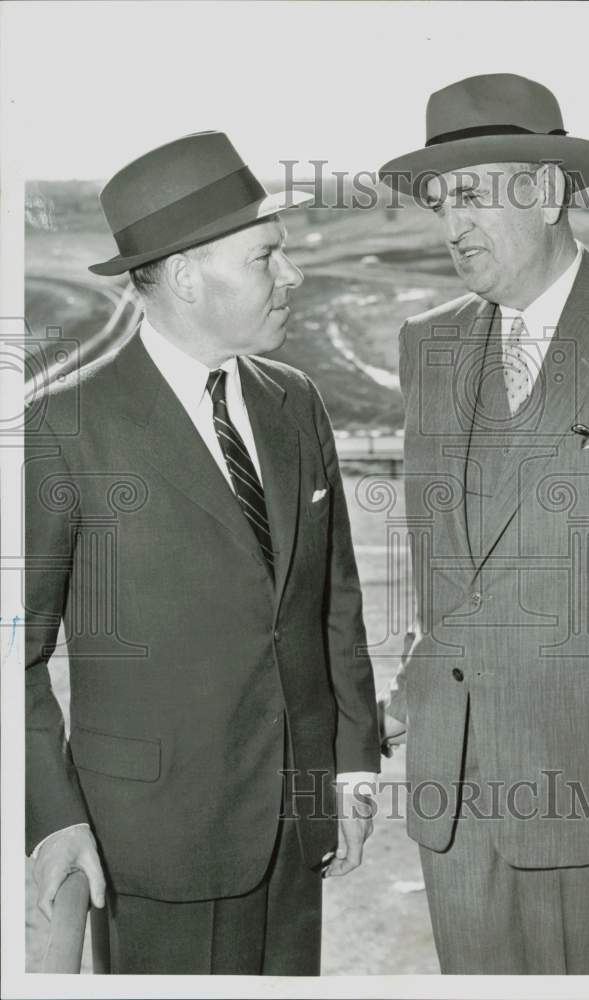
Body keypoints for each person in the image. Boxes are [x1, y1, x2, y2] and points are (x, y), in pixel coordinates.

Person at [25, 131, 380, 975]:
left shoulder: (296, 404)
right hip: (153, 848)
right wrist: (51, 816)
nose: (291, 275)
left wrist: (352, 771)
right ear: (187, 274)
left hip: (297, 838)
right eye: (266, 257)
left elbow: (334, 605)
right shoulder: (63, 429)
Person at [378, 74, 589, 974]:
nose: (452, 225)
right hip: (454, 810)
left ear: (551, 191)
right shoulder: (427, 343)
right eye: (440, 202)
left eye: (473, 195)